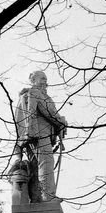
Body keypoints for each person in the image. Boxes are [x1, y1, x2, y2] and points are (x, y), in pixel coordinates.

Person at [13, 70, 67, 201]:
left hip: (31, 137)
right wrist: (62, 121)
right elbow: (49, 112)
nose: (45, 81)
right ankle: (48, 197)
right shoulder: (36, 93)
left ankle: (37, 199)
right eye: (42, 78)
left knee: (36, 167)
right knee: (46, 163)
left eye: (45, 79)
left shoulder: (26, 96)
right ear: (33, 81)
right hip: (39, 135)